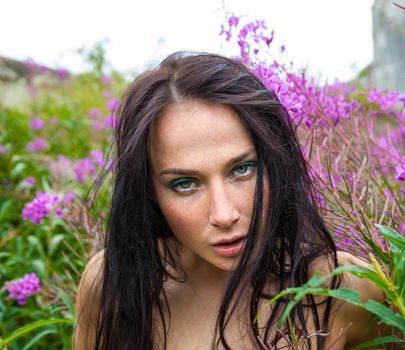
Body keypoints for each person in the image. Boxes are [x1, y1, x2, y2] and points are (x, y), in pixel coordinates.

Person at [74, 52, 387, 350]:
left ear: (275, 162)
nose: (224, 215)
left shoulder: (347, 287)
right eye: (184, 184)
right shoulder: (111, 287)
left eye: (242, 169)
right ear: (150, 191)